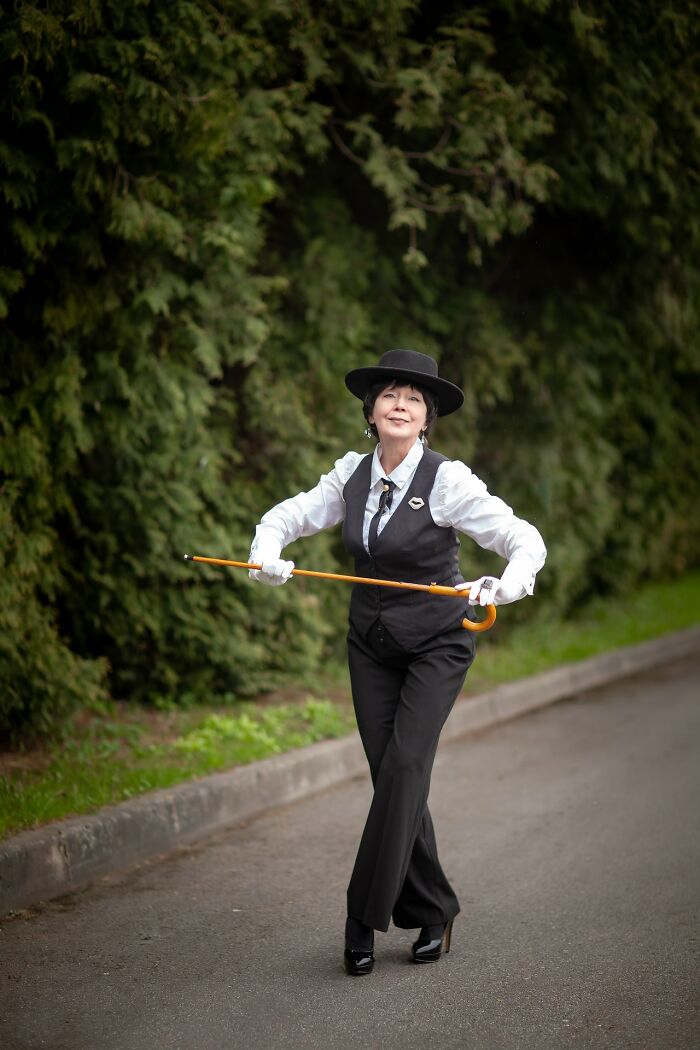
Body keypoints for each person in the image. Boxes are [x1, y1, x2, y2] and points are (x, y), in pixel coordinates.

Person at [248, 349, 546, 975]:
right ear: (371, 411)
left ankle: (361, 918)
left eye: (414, 399)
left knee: (406, 765)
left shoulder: (447, 481)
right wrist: (266, 549)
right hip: (371, 646)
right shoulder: (350, 474)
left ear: (427, 417)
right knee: (393, 778)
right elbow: (290, 515)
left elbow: (523, 539)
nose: (401, 406)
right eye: (389, 395)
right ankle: (435, 907)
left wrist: (504, 585)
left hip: (438, 643)